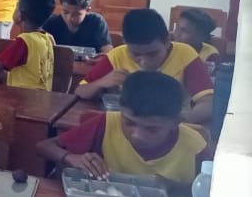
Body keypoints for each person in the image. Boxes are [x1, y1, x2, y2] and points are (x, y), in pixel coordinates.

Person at [37, 71, 211, 191]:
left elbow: (214, 191)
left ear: (176, 122)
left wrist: (175, 187)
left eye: (152, 129)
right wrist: (72, 158)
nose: (137, 135)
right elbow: (44, 146)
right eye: (129, 123)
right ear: (120, 109)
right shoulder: (107, 123)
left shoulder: (195, 146)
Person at [76, 9, 214, 125]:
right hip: (127, 125)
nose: (144, 61)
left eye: (152, 54)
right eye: (135, 54)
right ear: (125, 43)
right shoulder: (117, 55)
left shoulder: (185, 54)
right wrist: (102, 82)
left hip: (172, 127)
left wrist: (174, 122)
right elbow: (80, 91)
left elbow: (208, 103)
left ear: (167, 41)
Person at [42, 0, 112, 54]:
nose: (70, 18)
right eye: (65, 12)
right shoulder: (52, 22)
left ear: (87, 10)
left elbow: (107, 51)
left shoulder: (96, 22)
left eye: (76, 14)